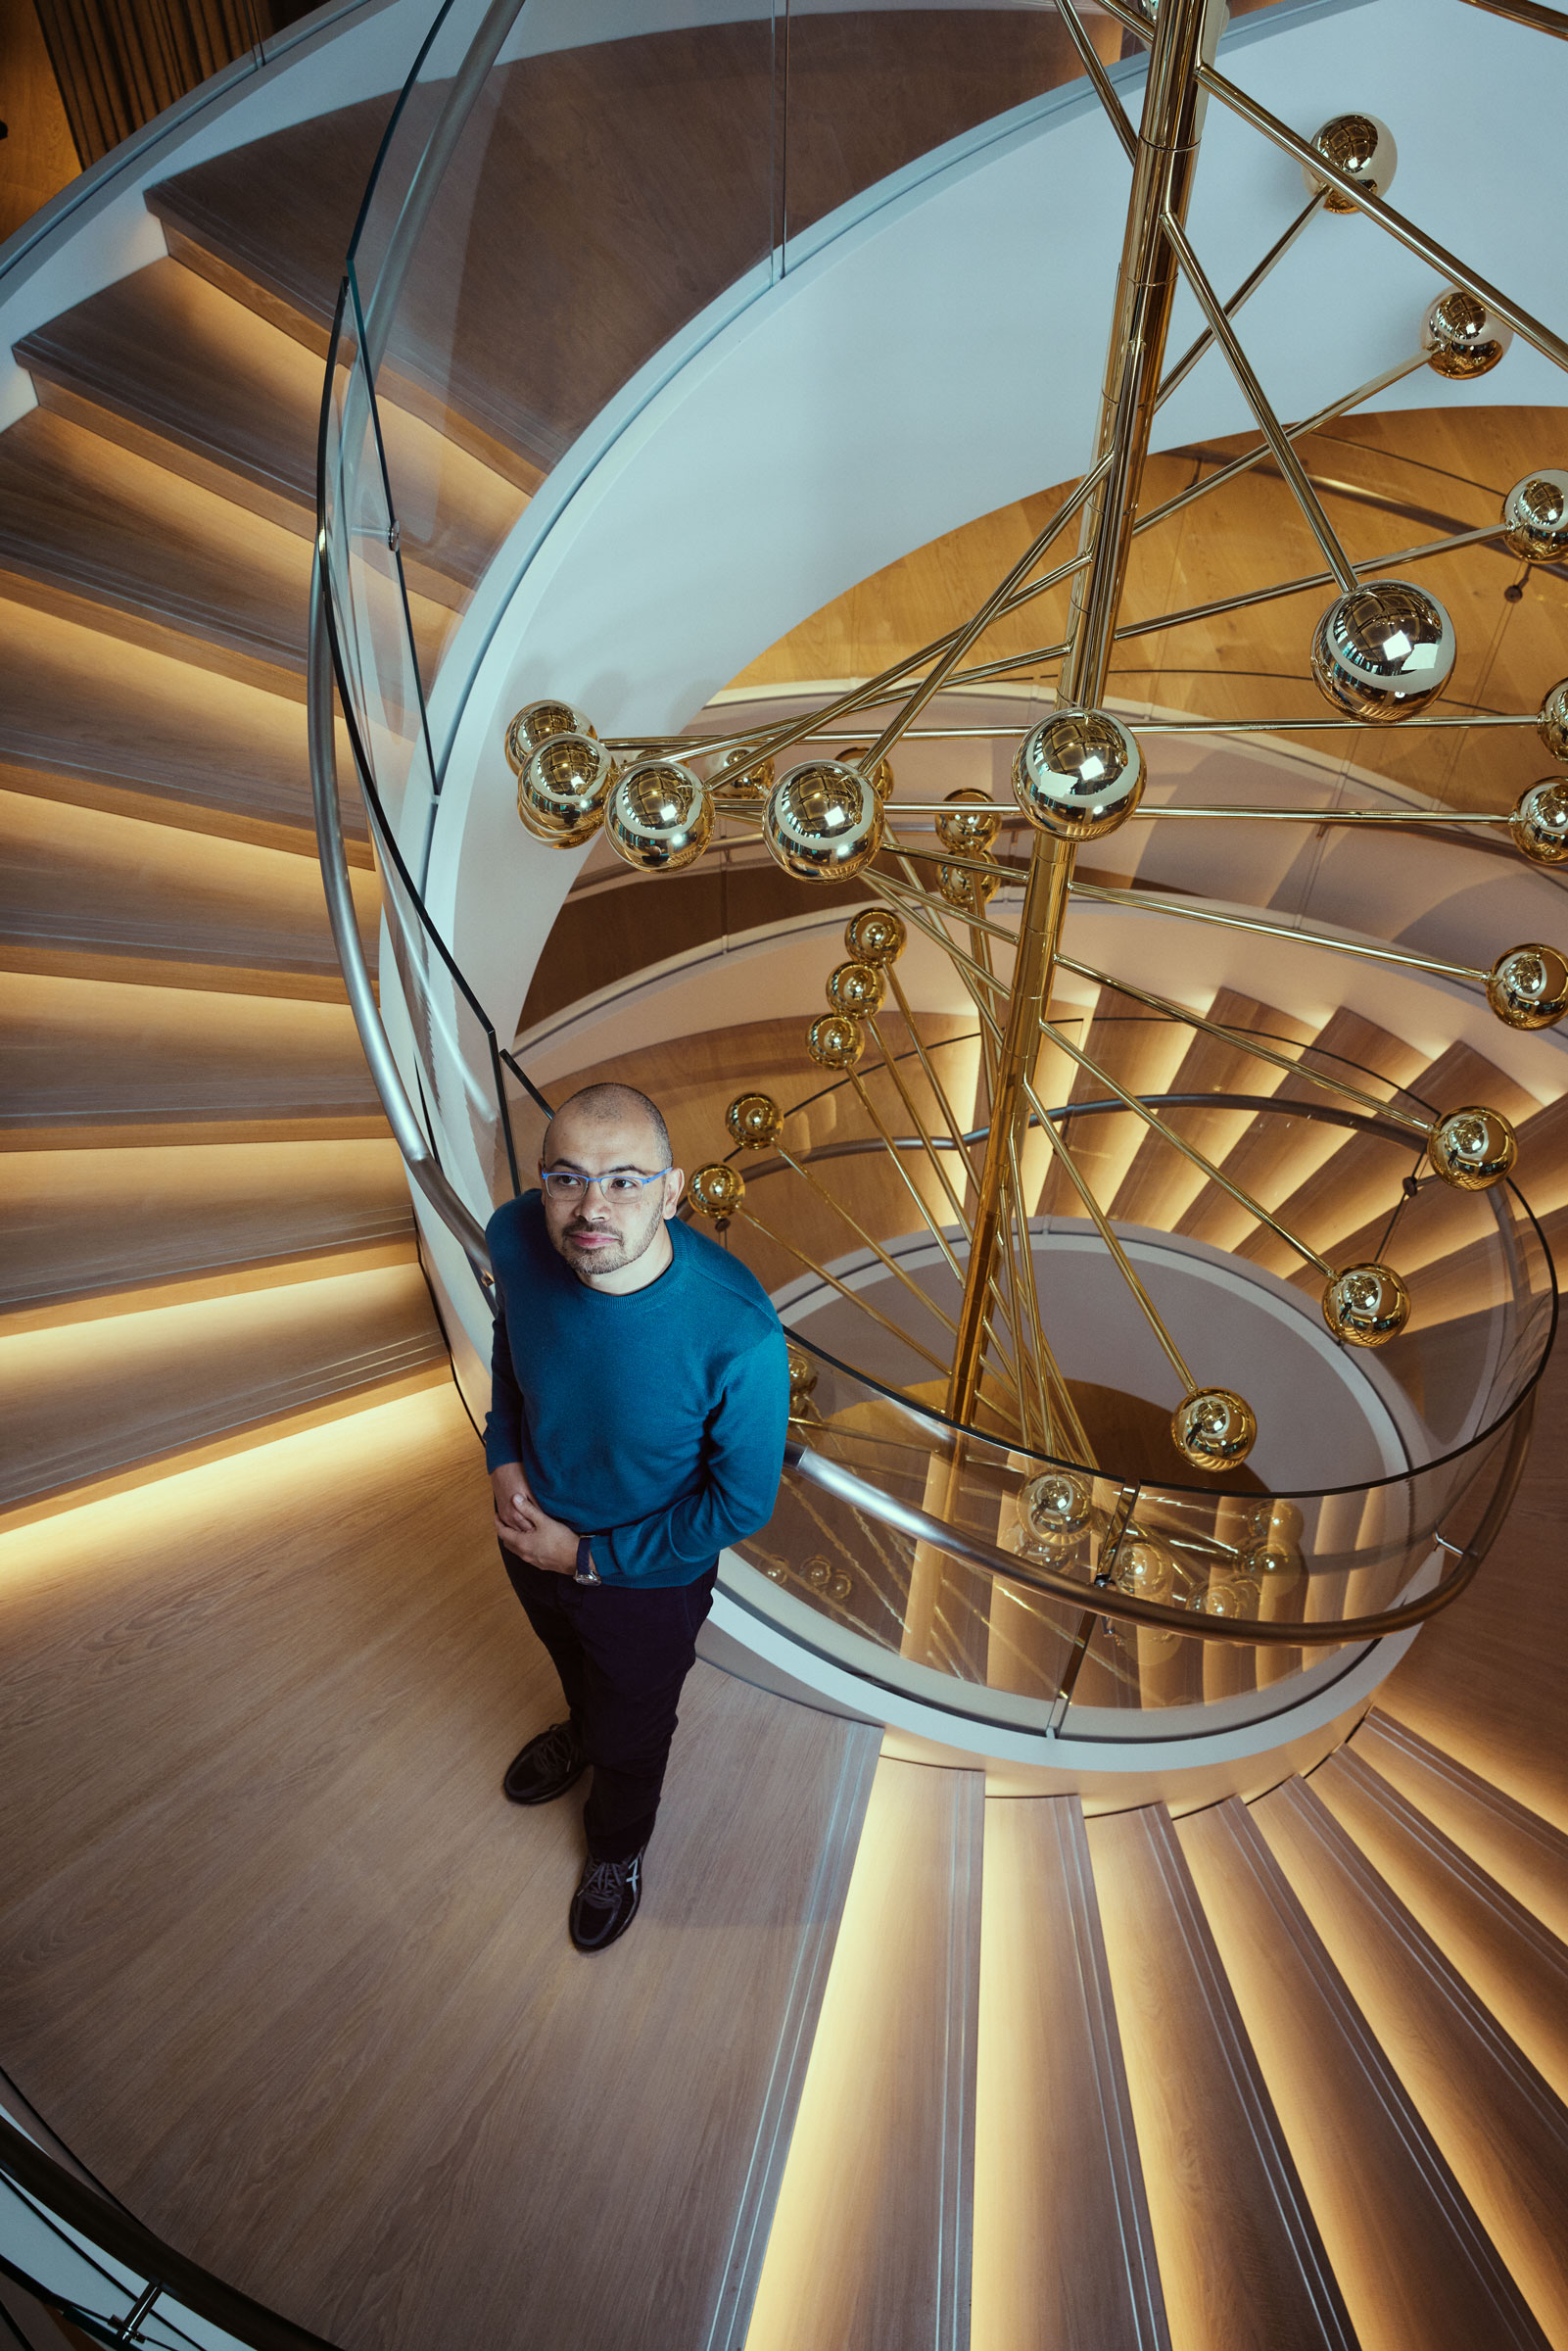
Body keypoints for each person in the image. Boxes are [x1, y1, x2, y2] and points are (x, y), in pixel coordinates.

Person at [484, 1080, 789, 1953]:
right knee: (571, 1670)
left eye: (624, 1180)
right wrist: (501, 1453)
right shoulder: (516, 1235)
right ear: (541, 1181)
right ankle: (578, 1730)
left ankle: (617, 1847)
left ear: (674, 1188)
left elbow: (740, 1502)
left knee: (633, 1732)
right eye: (567, 1177)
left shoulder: (738, 1334)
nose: (591, 1207)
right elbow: (514, 1347)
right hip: (529, 1531)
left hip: (646, 1584)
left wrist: (583, 1557)